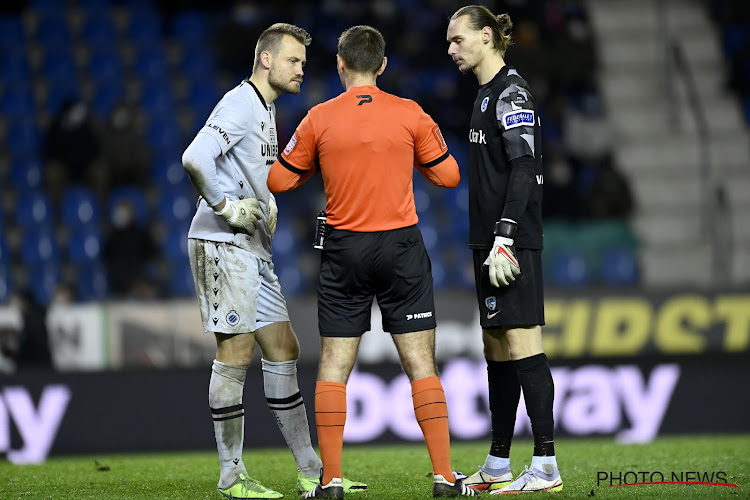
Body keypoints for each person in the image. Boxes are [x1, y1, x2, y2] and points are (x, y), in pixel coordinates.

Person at [268, 25, 475, 499]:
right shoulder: (409, 113)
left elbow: (279, 181)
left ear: (340, 64)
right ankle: (444, 477)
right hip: (400, 247)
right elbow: (448, 175)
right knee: (420, 362)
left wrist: (319, 162)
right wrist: (409, 157)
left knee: (335, 365)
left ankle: (331, 481)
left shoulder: (318, 118)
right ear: (382, 66)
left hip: (345, 250)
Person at [181, 23, 365, 500]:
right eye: (294, 61)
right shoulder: (240, 104)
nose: (301, 69)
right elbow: (195, 157)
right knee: (236, 352)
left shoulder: (265, 110)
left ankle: (312, 471)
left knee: (283, 348)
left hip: (252, 249)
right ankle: (231, 476)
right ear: (267, 59)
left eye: (302, 62)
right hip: (222, 243)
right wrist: (225, 206)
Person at [446, 6, 563, 494]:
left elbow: (524, 167)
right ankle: (498, 462)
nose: (450, 49)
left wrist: (506, 235)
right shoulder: (483, 95)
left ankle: (546, 465)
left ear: (487, 36)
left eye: (457, 39)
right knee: (496, 347)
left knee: (523, 344)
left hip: (508, 242)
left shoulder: (511, 93)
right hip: (488, 240)